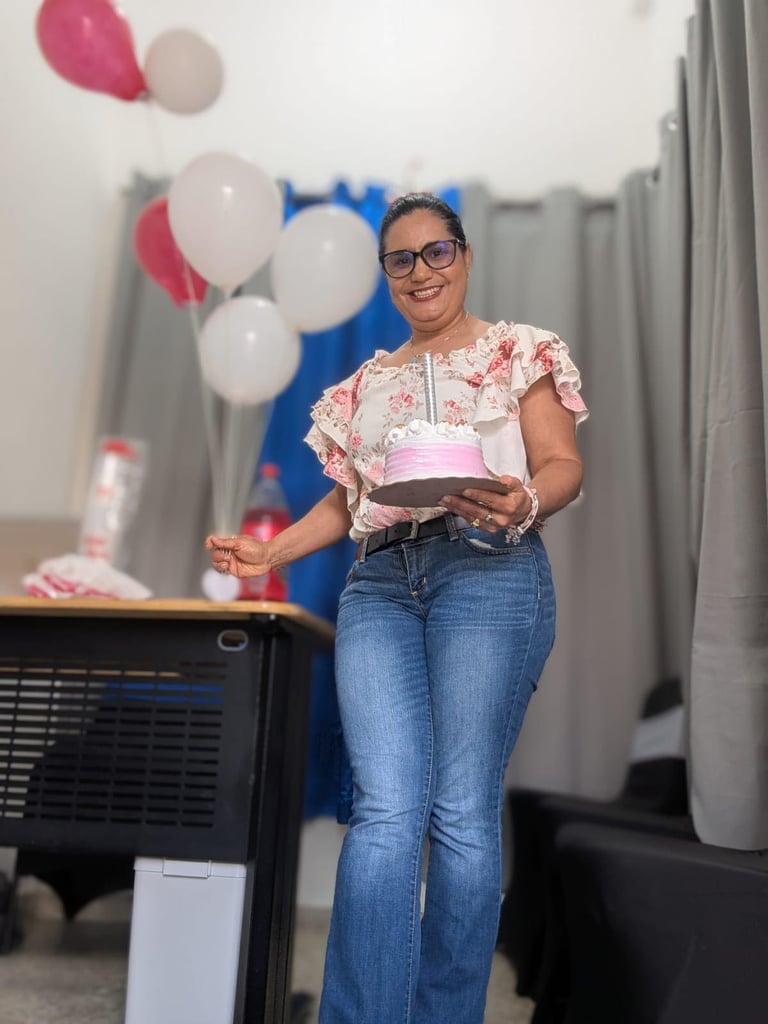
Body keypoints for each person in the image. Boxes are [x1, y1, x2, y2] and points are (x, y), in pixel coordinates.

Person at [206, 193, 588, 1024]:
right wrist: (271, 552)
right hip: (379, 584)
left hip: (489, 568)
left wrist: (524, 501)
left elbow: (562, 463)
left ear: (465, 255)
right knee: (383, 809)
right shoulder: (362, 387)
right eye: (401, 259)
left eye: (437, 251)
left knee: (459, 810)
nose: (421, 271)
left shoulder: (520, 350)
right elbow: (348, 501)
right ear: (387, 274)